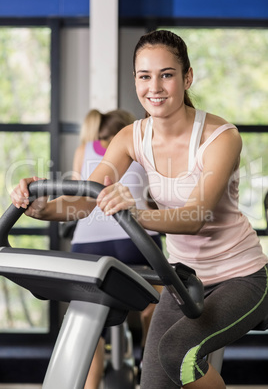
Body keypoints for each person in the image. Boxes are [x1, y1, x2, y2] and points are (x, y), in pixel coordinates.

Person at [11, 30, 268, 389]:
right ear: (135, 80)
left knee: (177, 353)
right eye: (145, 76)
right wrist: (42, 208)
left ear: (187, 77)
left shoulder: (220, 136)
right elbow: (88, 197)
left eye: (167, 74)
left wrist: (132, 214)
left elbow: (196, 217)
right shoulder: (132, 136)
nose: (155, 87)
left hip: (242, 277)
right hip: (184, 279)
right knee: (154, 381)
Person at [70, 108, 162, 388]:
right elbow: (153, 195)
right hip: (135, 239)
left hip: (87, 245)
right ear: (126, 131)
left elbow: (77, 194)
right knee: (157, 303)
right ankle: (149, 357)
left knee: (89, 322)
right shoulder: (140, 146)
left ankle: (90, 382)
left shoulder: (83, 149)